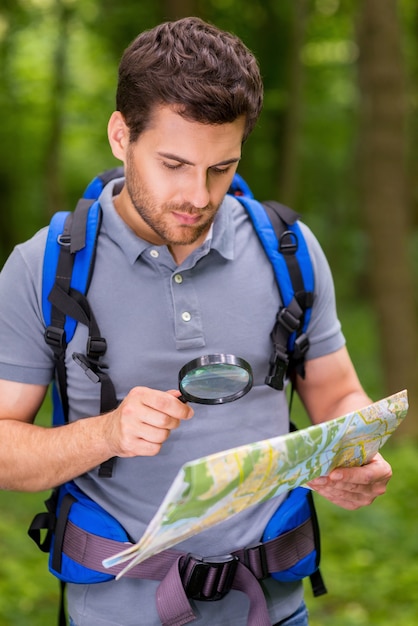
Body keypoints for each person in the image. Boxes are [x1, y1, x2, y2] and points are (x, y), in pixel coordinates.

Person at [0, 16, 392, 626]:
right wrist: (107, 434)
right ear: (119, 136)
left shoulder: (289, 250)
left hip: (274, 606)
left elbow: (337, 392)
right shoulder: (44, 267)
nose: (199, 196)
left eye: (221, 167)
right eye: (174, 164)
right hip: (116, 612)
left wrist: (352, 451)